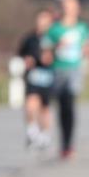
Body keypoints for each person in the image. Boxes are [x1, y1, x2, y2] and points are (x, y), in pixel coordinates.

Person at [42, 0, 89, 160]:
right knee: (61, 106)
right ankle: (63, 142)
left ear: (77, 8)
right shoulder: (54, 29)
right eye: (65, 6)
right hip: (58, 70)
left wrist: (86, 55)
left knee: (70, 104)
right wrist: (57, 46)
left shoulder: (82, 28)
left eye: (71, 6)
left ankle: (69, 145)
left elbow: (87, 49)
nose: (68, 9)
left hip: (74, 70)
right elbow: (46, 55)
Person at [17, 8, 55, 149]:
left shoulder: (53, 37)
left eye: (45, 19)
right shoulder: (30, 38)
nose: (42, 22)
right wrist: (26, 59)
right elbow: (21, 53)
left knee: (45, 107)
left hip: (48, 76)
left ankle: (45, 135)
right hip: (33, 75)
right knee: (31, 102)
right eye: (40, 19)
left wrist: (52, 58)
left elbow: (59, 55)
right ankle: (31, 131)